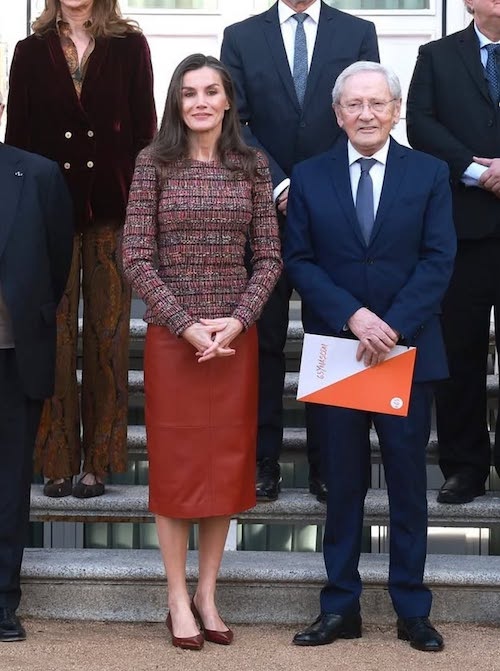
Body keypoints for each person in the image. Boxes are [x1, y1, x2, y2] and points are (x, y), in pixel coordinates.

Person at [284, 61, 456, 651]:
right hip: (339, 349)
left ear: (396, 110)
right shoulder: (309, 176)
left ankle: (412, 608)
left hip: (406, 351)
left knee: (407, 485)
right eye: (353, 104)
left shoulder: (429, 173)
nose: (365, 114)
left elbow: (438, 258)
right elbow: (300, 259)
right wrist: (352, 315)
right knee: (342, 484)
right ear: (337, 114)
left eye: (377, 103)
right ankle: (340, 606)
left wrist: (392, 325)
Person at [122, 53, 282, 650]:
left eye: (211, 91)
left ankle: (208, 594)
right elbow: (135, 255)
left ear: (228, 100)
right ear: (176, 102)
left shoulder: (252, 165)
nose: (200, 103)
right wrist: (186, 325)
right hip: (174, 342)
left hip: (234, 343)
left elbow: (269, 256)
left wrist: (238, 320)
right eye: (189, 93)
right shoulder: (153, 163)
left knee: (225, 468)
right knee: (176, 469)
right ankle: (175, 597)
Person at [221, 0, 379, 502]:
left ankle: (328, 464)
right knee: (263, 342)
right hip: (262, 211)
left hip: (335, 213)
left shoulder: (357, 31)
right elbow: (235, 123)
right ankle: (261, 462)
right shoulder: (241, 36)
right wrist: (281, 183)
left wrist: (313, 185)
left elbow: (361, 117)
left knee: (330, 337)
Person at [5, 0, 157, 499]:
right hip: (45, 216)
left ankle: (100, 462)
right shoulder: (30, 51)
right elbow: (16, 141)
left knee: (107, 338)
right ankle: (55, 461)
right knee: (50, 336)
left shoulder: (130, 46)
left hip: (112, 213)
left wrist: (142, 207)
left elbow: (145, 134)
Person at [406, 0, 500, 504]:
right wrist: (476, 170)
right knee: (460, 352)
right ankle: (464, 466)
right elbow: (420, 125)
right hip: (462, 231)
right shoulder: (436, 56)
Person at [0, 91, 74, 641]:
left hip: (13, 353)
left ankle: (3, 600)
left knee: (8, 484)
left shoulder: (39, 174)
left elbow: (57, 260)